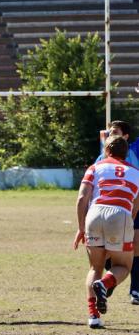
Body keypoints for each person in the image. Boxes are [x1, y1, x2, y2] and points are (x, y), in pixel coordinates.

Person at [74, 135, 139, 329]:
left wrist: (80, 228)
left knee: (95, 267)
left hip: (94, 214)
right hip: (121, 214)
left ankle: (93, 316)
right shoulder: (136, 172)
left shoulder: (95, 168)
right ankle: (106, 284)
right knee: (123, 266)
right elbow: (135, 207)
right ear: (126, 153)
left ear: (107, 150)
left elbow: (81, 199)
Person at [95, 121, 139, 304]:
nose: (110, 134)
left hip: (131, 205)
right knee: (107, 252)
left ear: (126, 136)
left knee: (135, 249)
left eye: (115, 132)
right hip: (106, 211)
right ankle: (108, 283)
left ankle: (135, 290)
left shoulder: (133, 155)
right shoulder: (101, 158)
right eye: (109, 132)